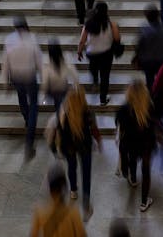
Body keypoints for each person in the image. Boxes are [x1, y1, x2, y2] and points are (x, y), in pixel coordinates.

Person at [54, 86, 101, 217]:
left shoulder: (64, 112)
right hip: (85, 146)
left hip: (69, 146)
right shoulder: (89, 111)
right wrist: (99, 141)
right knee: (86, 173)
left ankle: (73, 190)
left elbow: (59, 129)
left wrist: (58, 146)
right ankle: (86, 204)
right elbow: (94, 129)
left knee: (71, 166)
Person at [115, 80, 160, 212]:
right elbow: (154, 125)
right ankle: (144, 202)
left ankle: (133, 179)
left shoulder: (123, 110)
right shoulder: (150, 108)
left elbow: (118, 125)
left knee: (132, 158)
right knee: (146, 171)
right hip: (146, 144)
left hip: (129, 143)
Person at [3, 16, 44, 158]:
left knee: (21, 98)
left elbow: (5, 62)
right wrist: (44, 78)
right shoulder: (32, 38)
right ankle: (29, 140)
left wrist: (5, 82)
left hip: (16, 77)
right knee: (34, 105)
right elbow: (39, 60)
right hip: (29, 76)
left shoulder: (9, 40)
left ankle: (26, 119)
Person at [77, 3, 120, 105]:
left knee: (93, 68)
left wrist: (79, 51)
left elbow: (82, 41)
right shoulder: (111, 24)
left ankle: (95, 80)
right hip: (106, 54)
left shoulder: (88, 24)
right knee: (105, 76)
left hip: (92, 53)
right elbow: (117, 38)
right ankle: (103, 99)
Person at [30, 163, 87, 237]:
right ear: (64, 188)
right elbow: (82, 235)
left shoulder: (40, 213)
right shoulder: (73, 213)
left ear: (49, 190)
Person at [134, 5, 163, 90]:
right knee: (162, 82)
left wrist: (137, 58)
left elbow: (139, 46)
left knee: (150, 81)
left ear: (147, 17)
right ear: (158, 16)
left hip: (148, 61)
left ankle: (152, 98)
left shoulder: (144, 30)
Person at [42, 40, 79, 113]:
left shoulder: (47, 63)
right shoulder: (66, 60)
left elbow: (45, 81)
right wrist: (75, 85)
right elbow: (75, 74)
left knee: (58, 106)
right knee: (63, 104)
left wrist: (44, 93)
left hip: (54, 90)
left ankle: (60, 119)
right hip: (63, 88)